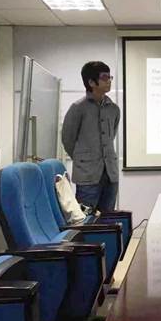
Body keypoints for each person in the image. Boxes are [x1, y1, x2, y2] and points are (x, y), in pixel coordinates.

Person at [62, 61, 120, 213]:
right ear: (91, 82)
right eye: (104, 77)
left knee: (108, 219)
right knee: (86, 219)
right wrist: (84, 159)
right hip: (87, 175)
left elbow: (111, 136)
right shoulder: (78, 108)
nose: (109, 81)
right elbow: (68, 140)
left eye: (110, 77)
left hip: (110, 174)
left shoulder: (114, 109)